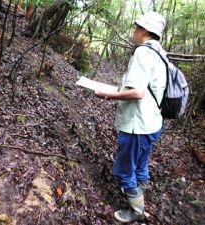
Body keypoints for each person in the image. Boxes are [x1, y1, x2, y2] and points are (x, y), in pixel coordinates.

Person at [95, 12, 167, 223]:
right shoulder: (161, 53)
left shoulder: (143, 53)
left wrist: (107, 94)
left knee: (124, 170)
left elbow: (137, 92)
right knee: (141, 164)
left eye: (136, 28)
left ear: (144, 30)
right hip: (152, 123)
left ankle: (136, 211)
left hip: (138, 124)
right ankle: (139, 193)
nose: (134, 32)